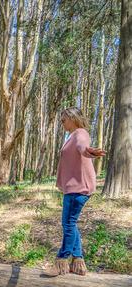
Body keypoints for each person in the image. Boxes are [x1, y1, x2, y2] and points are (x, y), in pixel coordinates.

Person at [44, 108, 106, 277]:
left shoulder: (80, 133)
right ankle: (78, 263)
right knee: (71, 223)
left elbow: (82, 146)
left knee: (68, 224)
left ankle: (61, 261)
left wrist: (88, 151)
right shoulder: (72, 135)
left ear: (73, 118)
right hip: (75, 187)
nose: (62, 122)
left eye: (64, 119)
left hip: (78, 188)